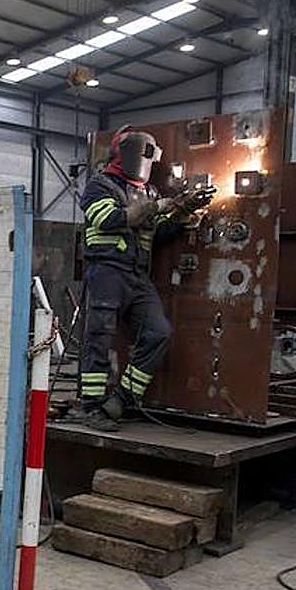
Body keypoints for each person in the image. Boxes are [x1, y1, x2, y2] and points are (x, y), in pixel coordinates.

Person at [76, 126, 215, 431]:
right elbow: (108, 219)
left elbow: (157, 232)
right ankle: (91, 408)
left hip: (137, 276)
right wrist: (157, 207)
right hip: (107, 271)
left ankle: (122, 399)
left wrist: (182, 213)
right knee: (99, 338)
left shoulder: (149, 192)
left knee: (158, 333)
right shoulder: (100, 185)